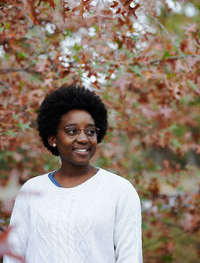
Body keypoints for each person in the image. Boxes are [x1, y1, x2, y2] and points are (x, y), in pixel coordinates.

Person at [4, 85, 143, 263]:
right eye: (72, 131)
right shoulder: (31, 190)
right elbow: (13, 256)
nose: (84, 139)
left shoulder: (120, 191)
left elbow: (130, 258)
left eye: (90, 131)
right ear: (53, 139)